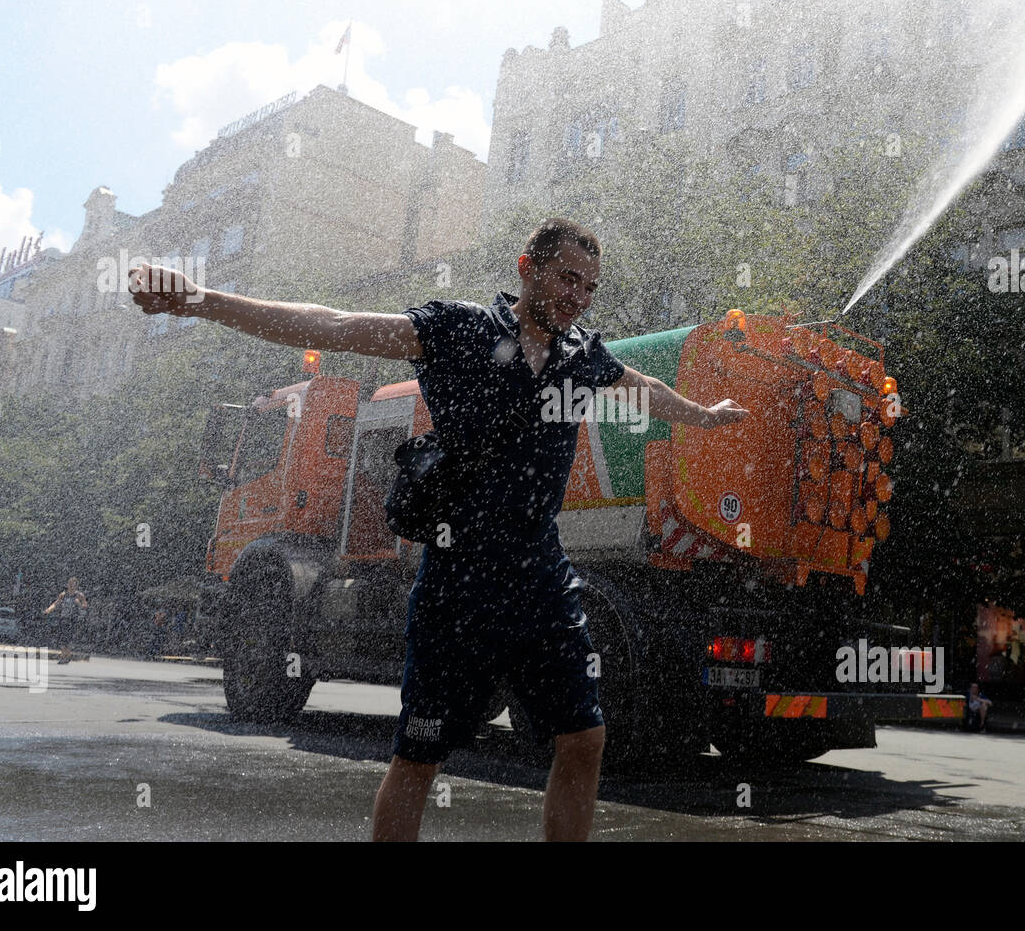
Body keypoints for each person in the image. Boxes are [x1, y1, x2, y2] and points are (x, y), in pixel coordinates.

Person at [128, 217, 749, 842]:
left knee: (584, 739)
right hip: (460, 577)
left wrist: (705, 416)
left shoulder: (580, 355)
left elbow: (643, 389)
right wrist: (199, 300)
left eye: (590, 286)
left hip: (541, 574)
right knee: (420, 756)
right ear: (526, 267)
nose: (579, 295)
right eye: (567, 278)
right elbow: (335, 325)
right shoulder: (459, 329)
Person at [43, 577, 89, 665]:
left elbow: (85, 606)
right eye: (70, 584)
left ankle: (64, 656)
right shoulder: (63, 595)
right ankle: (66, 655)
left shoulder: (79, 595)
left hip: (73, 620)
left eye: (73, 584)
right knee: (62, 638)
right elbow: (56, 603)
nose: (71, 586)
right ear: (67, 585)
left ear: (76, 586)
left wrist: (78, 603)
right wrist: (48, 610)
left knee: (67, 638)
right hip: (63, 618)